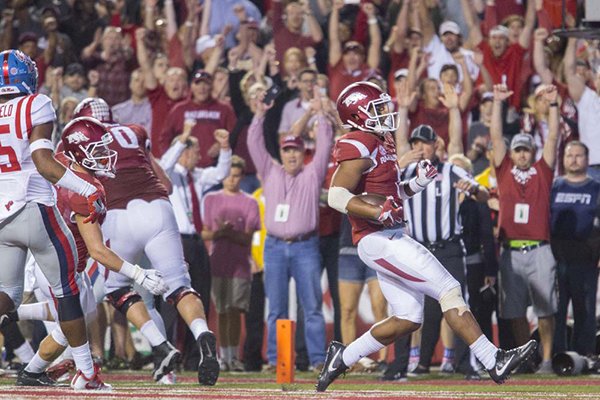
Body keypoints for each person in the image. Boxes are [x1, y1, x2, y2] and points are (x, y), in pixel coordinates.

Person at [316, 81, 537, 392]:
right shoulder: (358, 143)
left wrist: (416, 184)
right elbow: (337, 196)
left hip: (386, 234)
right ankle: (493, 359)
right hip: (378, 238)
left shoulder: (382, 141)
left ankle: (343, 356)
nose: (384, 113)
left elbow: (391, 195)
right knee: (448, 289)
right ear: (357, 115)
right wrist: (377, 214)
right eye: (375, 109)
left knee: (408, 318)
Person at [12, 117, 178, 386]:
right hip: (59, 265)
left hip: (57, 261)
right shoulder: (84, 190)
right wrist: (139, 273)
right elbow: (98, 251)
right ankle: (85, 376)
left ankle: (31, 367)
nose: (106, 156)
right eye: (97, 150)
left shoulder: (61, 162)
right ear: (79, 152)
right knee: (72, 323)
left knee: (79, 314)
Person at [72, 97, 220, 386]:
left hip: (118, 214)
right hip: (159, 209)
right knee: (178, 286)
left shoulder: (83, 140)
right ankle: (201, 333)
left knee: (118, 289)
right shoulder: (135, 131)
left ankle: (160, 347)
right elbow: (165, 183)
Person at [0, 49, 110, 391]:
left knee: (7, 294)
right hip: (33, 206)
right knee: (68, 290)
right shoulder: (36, 103)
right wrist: (87, 188)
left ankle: (77, 371)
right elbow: (44, 161)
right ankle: (87, 373)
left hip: (1, 216)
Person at [248, 87, 334, 371]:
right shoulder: (270, 171)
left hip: (305, 245)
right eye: (287, 150)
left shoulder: (313, 173)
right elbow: (254, 144)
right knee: (276, 310)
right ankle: (277, 360)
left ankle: (318, 360)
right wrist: (259, 115)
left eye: (295, 150)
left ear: (302, 152)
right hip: (273, 246)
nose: (291, 155)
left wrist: (321, 114)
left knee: (311, 307)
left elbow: (324, 145)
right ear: (282, 153)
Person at [490, 83, 560, 374]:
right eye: (516, 150)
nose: (520, 154)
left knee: (546, 310)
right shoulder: (503, 170)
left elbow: (553, 137)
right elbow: (496, 136)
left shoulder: (542, 172)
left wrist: (554, 105)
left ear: (531, 152)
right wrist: (497, 103)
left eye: (524, 150)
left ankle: (545, 359)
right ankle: (527, 357)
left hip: (540, 249)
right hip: (510, 251)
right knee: (515, 311)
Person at [158, 122, 232, 370]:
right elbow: (164, 163)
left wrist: (225, 148)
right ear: (184, 152)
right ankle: (167, 356)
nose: (200, 156)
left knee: (198, 296)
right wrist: (183, 138)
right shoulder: (168, 174)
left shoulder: (196, 176)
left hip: (197, 242)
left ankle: (192, 358)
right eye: (196, 151)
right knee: (171, 301)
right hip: (175, 241)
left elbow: (220, 173)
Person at [202, 155, 260, 371]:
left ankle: (232, 356)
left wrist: (225, 233)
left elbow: (248, 237)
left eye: (236, 176)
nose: (231, 180)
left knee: (235, 310)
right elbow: (204, 232)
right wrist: (221, 233)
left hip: (240, 265)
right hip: (217, 262)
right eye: (228, 175)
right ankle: (223, 356)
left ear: (242, 177)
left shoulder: (250, 202)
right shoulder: (210, 199)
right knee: (221, 310)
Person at [550, 141, 600, 356]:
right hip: (558, 258)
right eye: (570, 155)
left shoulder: (596, 187)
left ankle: (585, 356)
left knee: (585, 312)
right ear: (563, 159)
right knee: (557, 311)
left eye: (579, 155)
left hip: (587, 259)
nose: (574, 159)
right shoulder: (555, 186)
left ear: (587, 160)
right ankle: (557, 356)